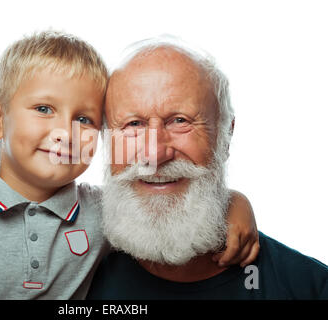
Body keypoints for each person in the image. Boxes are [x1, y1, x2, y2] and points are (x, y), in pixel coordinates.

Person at [0, 31, 258, 300]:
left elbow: (167, 202)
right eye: (44, 109)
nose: (65, 132)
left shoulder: (102, 213)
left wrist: (235, 203)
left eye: (85, 119)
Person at [86, 36, 328, 300]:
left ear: (225, 136)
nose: (154, 153)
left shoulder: (310, 287)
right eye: (133, 124)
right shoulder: (73, 277)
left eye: (180, 121)